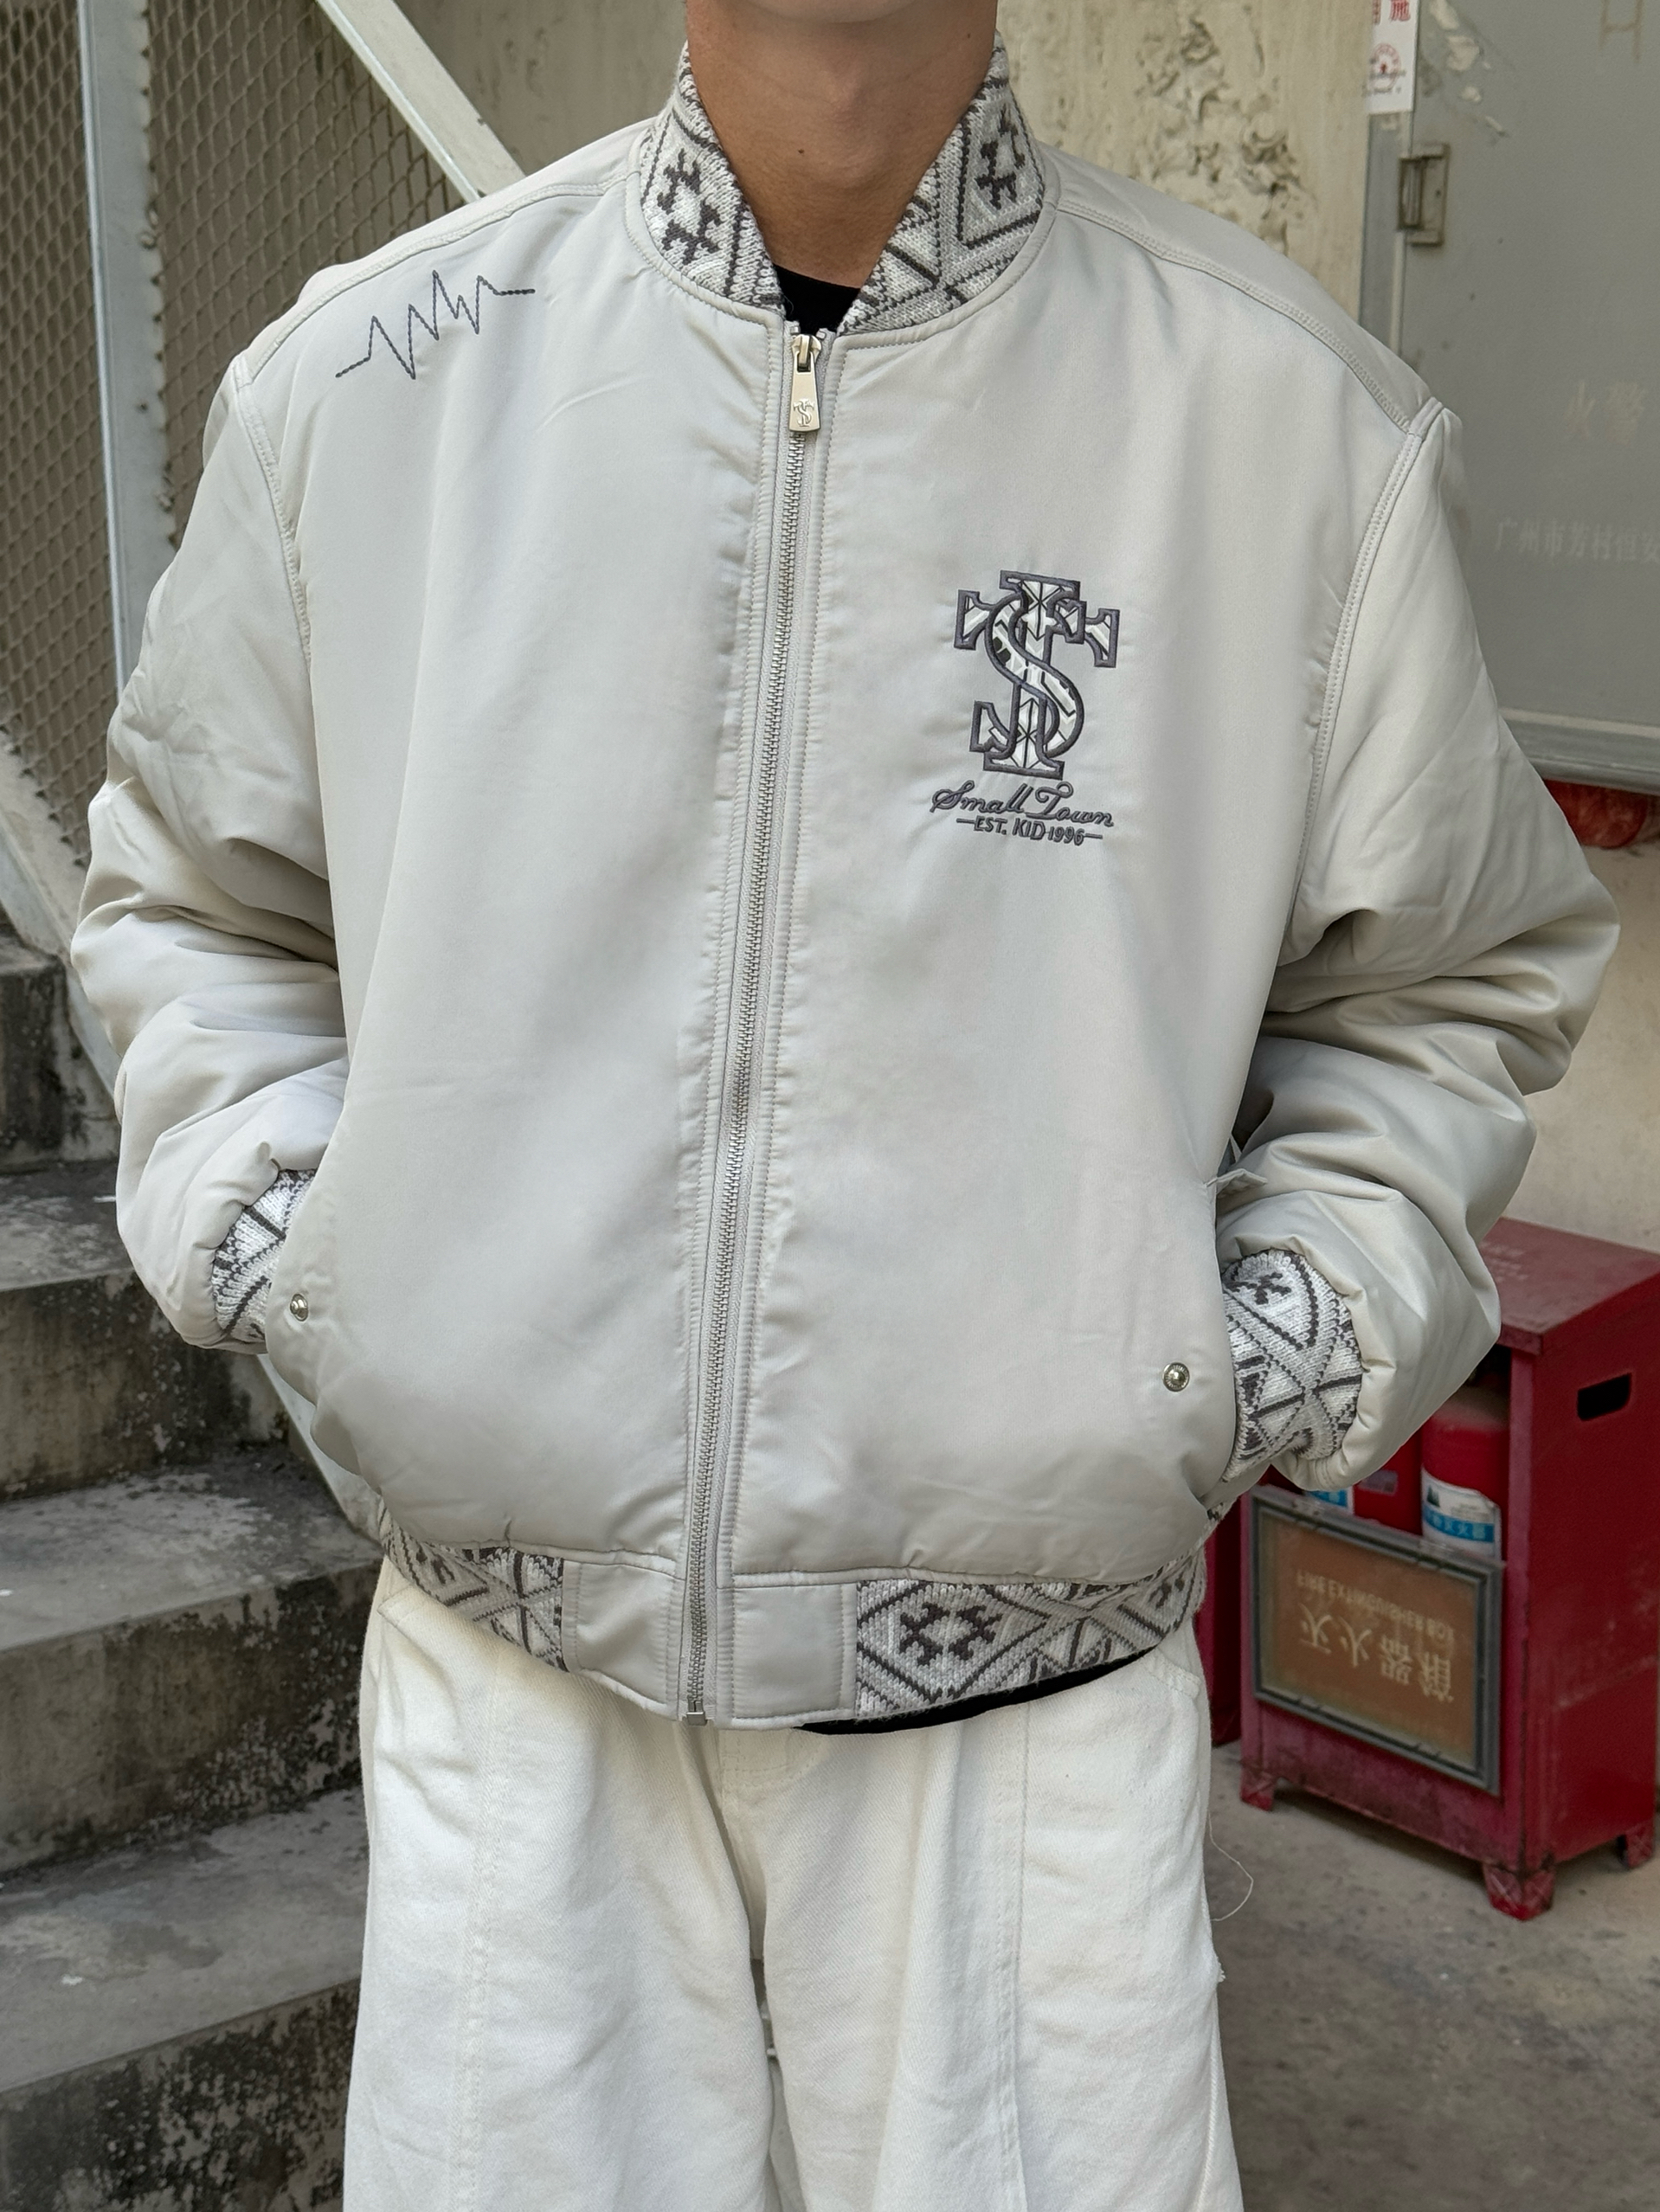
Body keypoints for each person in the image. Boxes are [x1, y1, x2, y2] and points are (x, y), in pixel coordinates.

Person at [72, 0, 1616, 2203]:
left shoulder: (1281, 428)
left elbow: (1444, 981)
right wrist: (303, 1260)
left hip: (1024, 1723)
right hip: (522, 1697)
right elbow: (199, 904)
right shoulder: (374, 388)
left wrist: (1242, 1352)